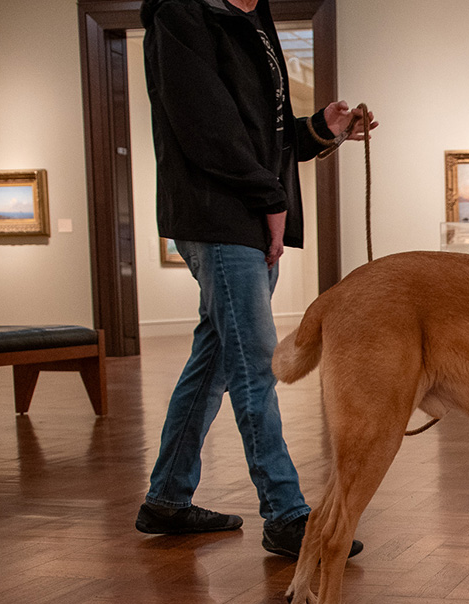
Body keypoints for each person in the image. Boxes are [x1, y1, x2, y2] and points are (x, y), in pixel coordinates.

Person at [135, 0, 376, 558]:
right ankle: (286, 513)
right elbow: (206, 129)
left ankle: (167, 496)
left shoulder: (252, 18)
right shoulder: (182, 12)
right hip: (218, 216)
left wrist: (322, 129)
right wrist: (271, 198)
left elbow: (260, 134)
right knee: (256, 362)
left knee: (217, 357)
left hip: (243, 216)